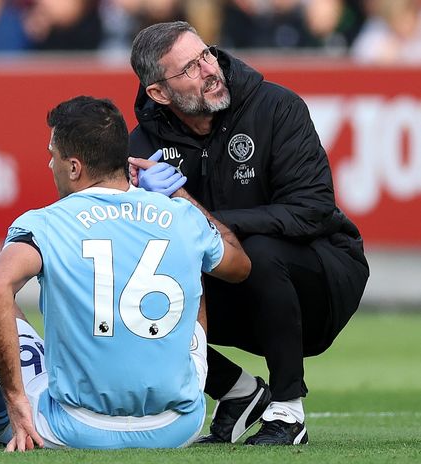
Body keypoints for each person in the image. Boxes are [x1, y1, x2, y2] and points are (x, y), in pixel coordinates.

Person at [0, 96, 251, 451]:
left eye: (54, 154)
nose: (50, 164)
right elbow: (239, 267)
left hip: (74, 426)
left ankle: (0, 424)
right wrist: (180, 195)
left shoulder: (46, 222)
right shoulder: (180, 215)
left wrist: (16, 399)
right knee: (193, 256)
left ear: (75, 167)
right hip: (176, 425)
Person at [128, 21, 369, 445]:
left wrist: (196, 211)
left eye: (206, 55)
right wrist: (136, 203)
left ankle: (289, 410)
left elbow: (312, 211)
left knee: (258, 249)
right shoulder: (144, 142)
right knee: (131, 282)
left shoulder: (276, 106)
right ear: (159, 93)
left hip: (322, 277)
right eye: (189, 68)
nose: (208, 70)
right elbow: (134, 238)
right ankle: (237, 392)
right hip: (230, 287)